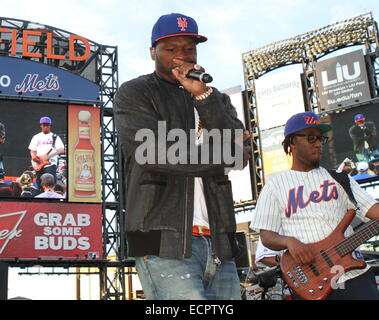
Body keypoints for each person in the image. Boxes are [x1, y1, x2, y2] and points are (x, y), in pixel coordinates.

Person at [113, 13, 250, 300]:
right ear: (153, 52)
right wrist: (223, 153)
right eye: (170, 48)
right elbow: (153, 153)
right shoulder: (135, 92)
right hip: (164, 243)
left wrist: (203, 96)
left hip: (219, 243)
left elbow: (239, 158)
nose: (181, 56)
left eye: (188, 48)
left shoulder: (217, 99)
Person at [250, 111, 379, 300]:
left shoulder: (340, 178)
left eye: (321, 138)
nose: (319, 144)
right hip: (310, 282)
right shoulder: (275, 185)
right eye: (311, 138)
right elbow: (267, 236)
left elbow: (373, 211)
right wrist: (289, 242)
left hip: (354, 275)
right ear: (292, 142)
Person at [28, 117, 65, 191]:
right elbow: (32, 150)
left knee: (50, 181)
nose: (45, 127)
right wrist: (34, 157)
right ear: (41, 125)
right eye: (44, 125)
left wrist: (48, 156)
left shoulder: (54, 137)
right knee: (39, 182)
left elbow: (61, 149)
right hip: (38, 163)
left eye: (47, 125)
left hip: (50, 163)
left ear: (50, 126)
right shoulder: (36, 137)